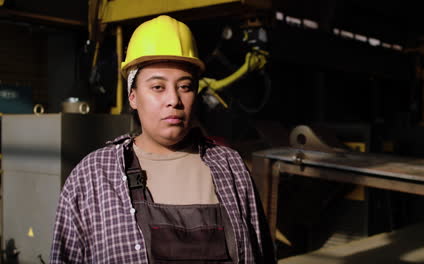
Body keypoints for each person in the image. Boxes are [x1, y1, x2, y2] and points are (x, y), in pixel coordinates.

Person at [50, 15, 275, 263]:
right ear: (133, 97)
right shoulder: (93, 176)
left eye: (185, 86)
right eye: (158, 87)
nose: (174, 100)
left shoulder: (231, 168)